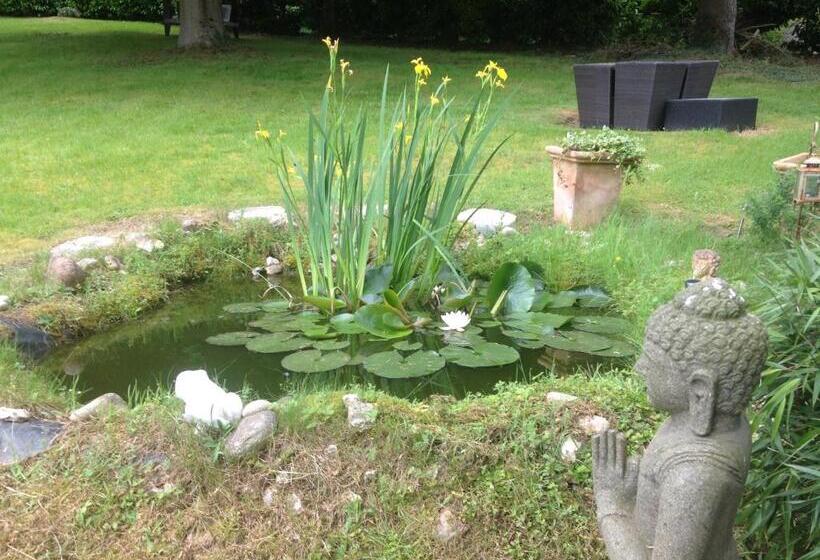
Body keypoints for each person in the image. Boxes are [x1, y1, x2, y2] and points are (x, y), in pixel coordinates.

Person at [592, 278, 767, 559]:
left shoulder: (694, 474)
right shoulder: (721, 422)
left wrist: (612, 505)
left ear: (700, 392)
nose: (640, 368)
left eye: (652, 362)